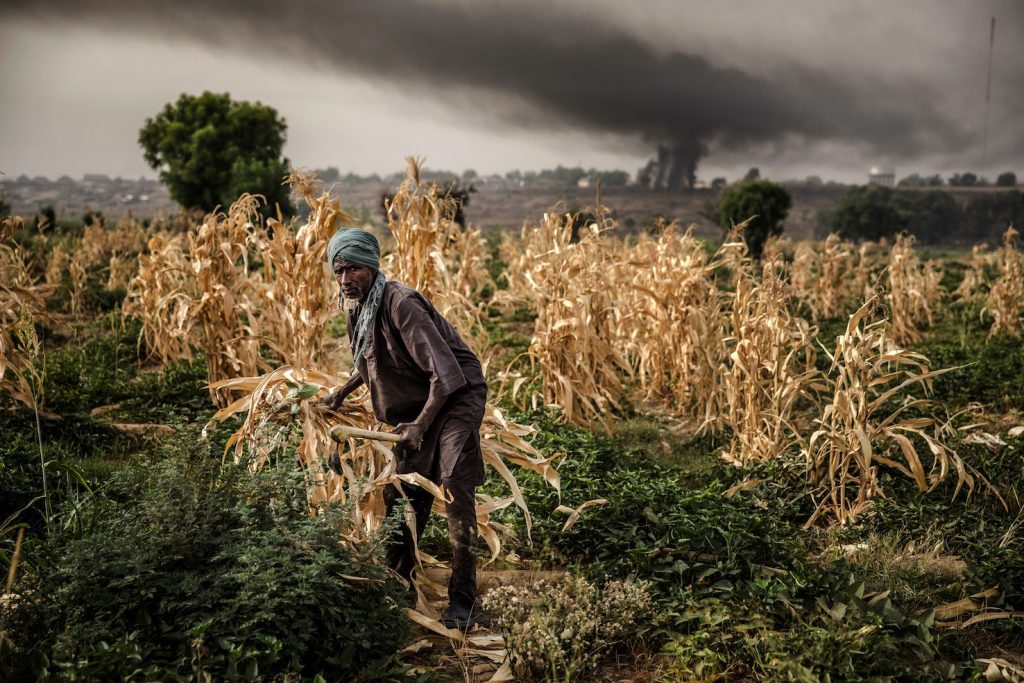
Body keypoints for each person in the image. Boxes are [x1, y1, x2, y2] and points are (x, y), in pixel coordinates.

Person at [321, 227, 487, 629]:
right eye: (339, 271)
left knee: (452, 483)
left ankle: (463, 601)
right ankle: (399, 585)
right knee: (402, 493)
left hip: (455, 398)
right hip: (417, 405)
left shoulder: (401, 303)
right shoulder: (357, 308)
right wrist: (340, 394)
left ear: (372, 267)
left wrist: (418, 427)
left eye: (353, 270)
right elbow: (369, 360)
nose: (345, 280)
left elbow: (446, 376)